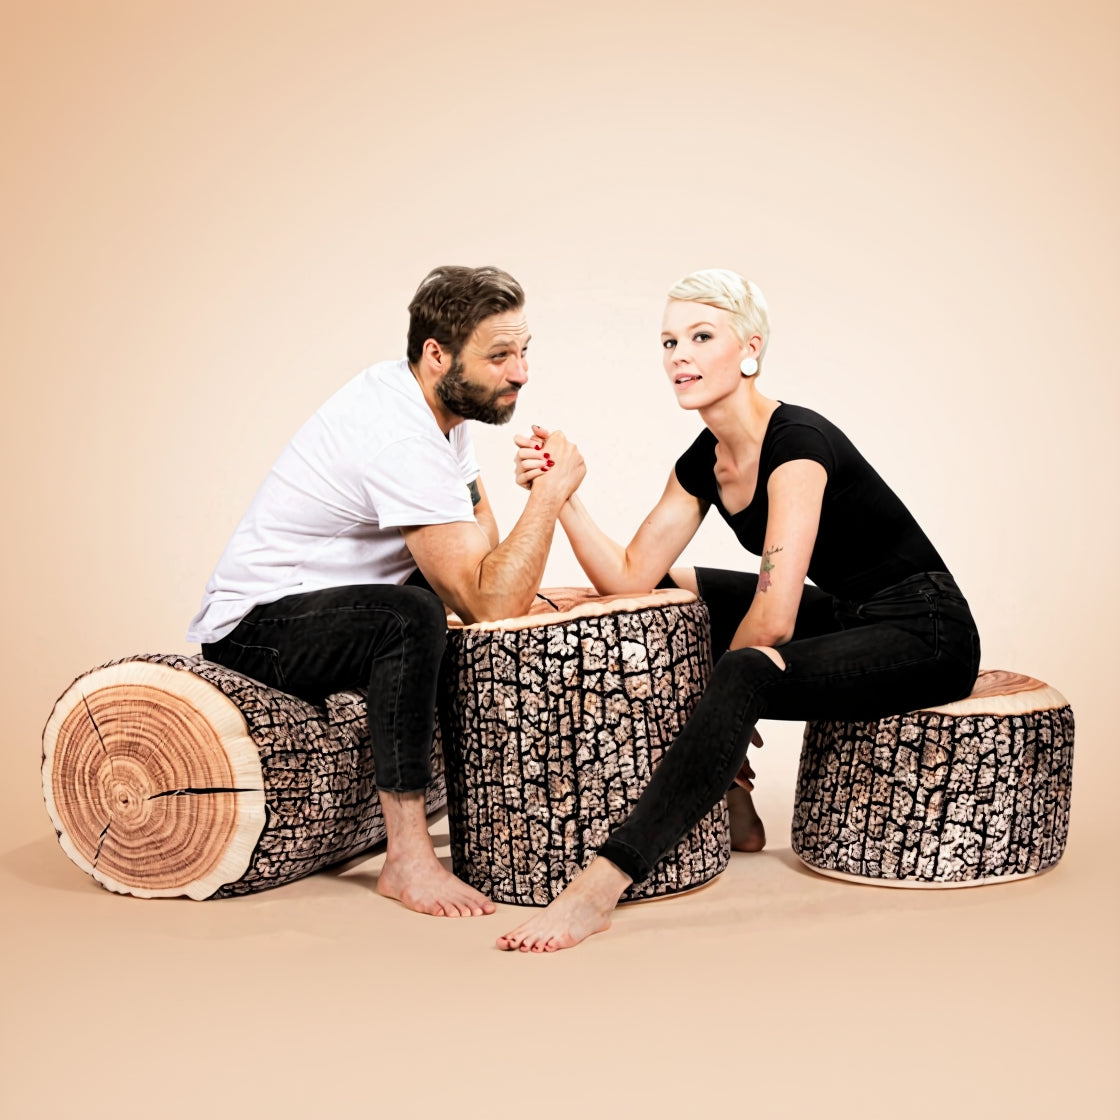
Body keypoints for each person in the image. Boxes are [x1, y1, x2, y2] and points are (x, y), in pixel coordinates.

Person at [498, 268, 980, 952]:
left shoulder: (798, 446)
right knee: (679, 589)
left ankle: (601, 884)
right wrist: (562, 492)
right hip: (849, 613)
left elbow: (776, 617)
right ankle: (735, 804)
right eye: (668, 342)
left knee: (744, 670)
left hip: (925, 630)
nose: (679, 357)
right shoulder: (707, 458)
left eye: (701, 336)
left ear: (750, 349)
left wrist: (722, 700)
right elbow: (633, 577)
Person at [187, 265, 585, 919]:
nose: (520, 373)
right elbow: (488, 600)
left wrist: (498, 560)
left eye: (524, 350)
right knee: (411, 615)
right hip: (252, 633)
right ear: (437, 354)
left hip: (323, 608)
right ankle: (406, 858)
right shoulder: (400, 435)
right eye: (500, 356)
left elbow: (479, 551)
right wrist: (548, 497)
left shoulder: (438, 411)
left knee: (447, 608)